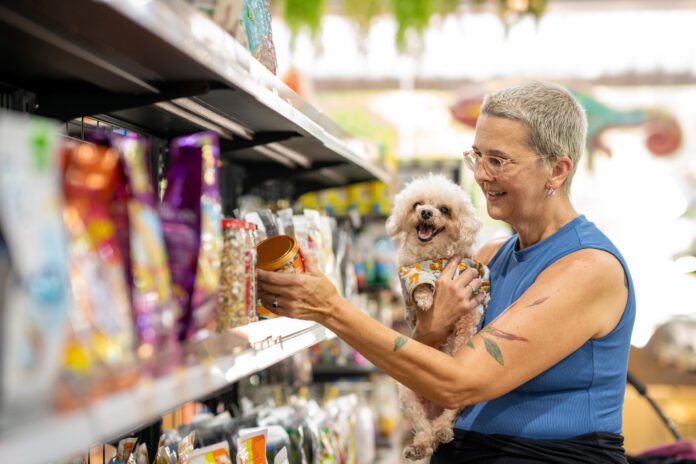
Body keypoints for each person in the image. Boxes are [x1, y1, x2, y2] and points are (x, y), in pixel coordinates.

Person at [257, 81, 635, 463]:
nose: (482, 175)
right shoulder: (488, 257)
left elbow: (460, 382)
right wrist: (430, 329)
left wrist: (331, 310)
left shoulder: (588, 268)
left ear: (556, 169)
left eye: (499, 161)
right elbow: (429, 383)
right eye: (477, 156)